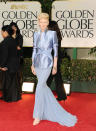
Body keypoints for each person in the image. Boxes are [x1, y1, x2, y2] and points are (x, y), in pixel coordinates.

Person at [31, 13, 77, 126]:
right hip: (37, 63)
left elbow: (56, 52)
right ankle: (50, 108)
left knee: (39, 86)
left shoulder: (52, 34)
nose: (43, 24)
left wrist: (55, 66)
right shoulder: (36, 34)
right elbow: (34, 50)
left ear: (48, 23)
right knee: (43, 87)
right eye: (41, 22)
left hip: (47, 63)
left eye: (45, 22)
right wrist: (32, 64)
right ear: (38, 22)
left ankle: (37, 115)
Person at [0, 25, 21, 102]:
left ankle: (9, 98)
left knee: (8, 82)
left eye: (2, 31)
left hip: (8, 65)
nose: (1, 33)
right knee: (14, 82)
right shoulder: (13, 40)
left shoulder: (5, 42)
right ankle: (15, 97)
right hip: (15, 64)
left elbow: (4, 55)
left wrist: (2, 65)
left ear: (5, 32)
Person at [47, 20, 67, 101]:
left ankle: (44, 96)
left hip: (52, 61)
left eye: (48, 26)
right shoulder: (57, 36)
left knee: (47, 80)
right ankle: (62, 96)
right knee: (58, 79)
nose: (46, 27)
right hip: (55, 61)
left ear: (51, 27)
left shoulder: (53, 37)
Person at [10, 22, 23, 94]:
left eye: (15, 27)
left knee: (18, 75)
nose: (13, 29)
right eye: (12, 27)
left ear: (17, 28)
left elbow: (19, 47)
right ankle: (11, 91)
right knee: (10, 76)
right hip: (10, 59)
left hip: (18, 58)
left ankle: (19, 91)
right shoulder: (8, 36)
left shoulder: (19, 36)